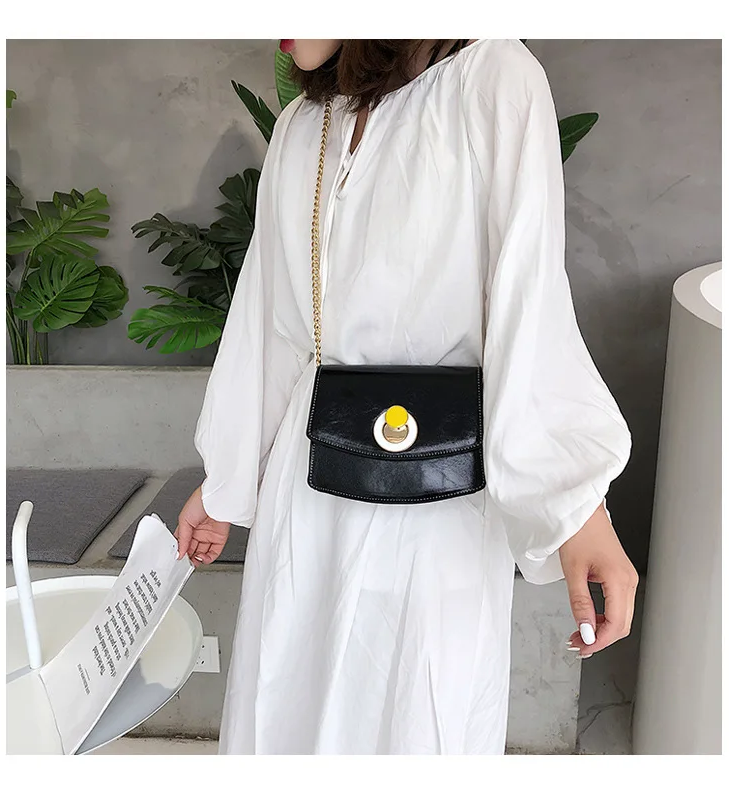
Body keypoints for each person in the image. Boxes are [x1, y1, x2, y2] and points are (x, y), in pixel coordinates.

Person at [176, 39, 638, 755]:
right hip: (308, 477)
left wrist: (576, 505)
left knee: (418, 712)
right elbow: (270, 325)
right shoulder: (306, 122)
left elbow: (528, 301)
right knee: (287, 698)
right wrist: (228, 482)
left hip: (442, 492)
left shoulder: (493, 79)